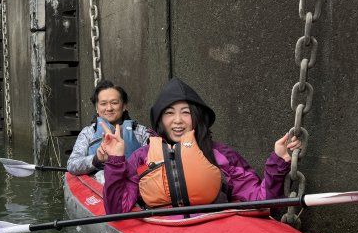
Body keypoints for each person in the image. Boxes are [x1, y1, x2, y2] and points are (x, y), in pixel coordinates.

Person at [101, 78, 300, 215]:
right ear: (161, 120)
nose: (177, 121)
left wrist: (277, 163)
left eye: (185, 112)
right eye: (169, 113)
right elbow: (116, 209)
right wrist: (116, 160)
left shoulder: (221, 155)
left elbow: (262, 201)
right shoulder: (141, 158)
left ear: (196, 117)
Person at [67, 80, 152, 176]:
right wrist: (96, 159)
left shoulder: (141, 132)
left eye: (114, 103)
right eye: (103, 104)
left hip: (132, 183)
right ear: (97, 108)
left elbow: (153, 163)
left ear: (124, 106)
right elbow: (72, 165)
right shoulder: (88, 133)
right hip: (98, 184)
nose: (109, 108)